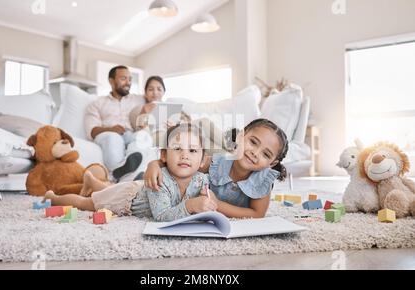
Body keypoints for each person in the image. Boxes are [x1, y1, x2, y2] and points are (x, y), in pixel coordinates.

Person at [43, 123, 217, 222]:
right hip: (125, 199)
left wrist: (207, 202)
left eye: (193, 151)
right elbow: (162, 215)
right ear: (163, 155)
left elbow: (202, 201)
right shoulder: (161, 180)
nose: (185, 155)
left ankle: (91, 181)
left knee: (106, 189)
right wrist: (191, 205)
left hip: (135, 187)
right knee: (87, 202)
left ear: (203, 161)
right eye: (177, 148)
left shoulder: (201, 180)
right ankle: (54, 198)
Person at [144, 118, 289, 219]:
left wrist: (217, 205)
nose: (255, 153)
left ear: (272, 163)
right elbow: (186, 162)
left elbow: (257, 214)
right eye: (253, 142)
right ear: (240, 136)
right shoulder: (216, 162)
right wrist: (155, 164)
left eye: (266, 154)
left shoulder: (263, 181)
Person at [84, 66, 147, 182]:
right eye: (123, 78)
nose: (128, 82)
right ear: (111, 81)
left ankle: (127, 171)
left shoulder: (138, 100)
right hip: (108, 135)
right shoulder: (97, 103)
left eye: (130, 79)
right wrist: (111, 129)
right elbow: (91, 131)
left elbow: (156, 100)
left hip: (130, 134)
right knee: (114, 138)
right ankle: (116, 173)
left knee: (143, 136)